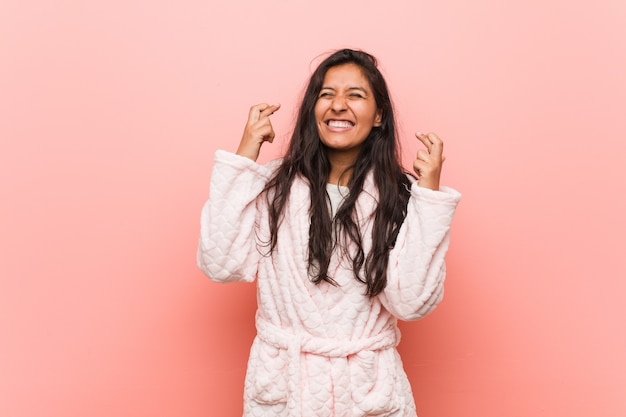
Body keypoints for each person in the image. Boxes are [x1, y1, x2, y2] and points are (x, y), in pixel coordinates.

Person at [197, 48, 461, 417]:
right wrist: (244, 156)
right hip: (286, 387)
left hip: (367, 390)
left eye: (355, 95)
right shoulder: (275, 187)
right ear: (312, 110)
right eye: (326, 94)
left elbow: (411, 302)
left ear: (379, 115)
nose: (338, 105)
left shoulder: (399, 195)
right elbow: (221, 263)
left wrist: (429, 195)